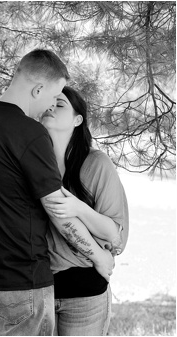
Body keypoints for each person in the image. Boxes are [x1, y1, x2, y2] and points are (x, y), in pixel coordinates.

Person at [0, 49, 114, 336]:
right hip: (19, 282)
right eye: (54, 96)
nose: (51, 106)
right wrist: (99, 257)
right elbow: (57, 209)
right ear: (38, 89)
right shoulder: (28, 131)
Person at [39, 87, 129, 335]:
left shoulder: (97, 163)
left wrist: (78, 208)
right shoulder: (31, 161)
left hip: (85, 293)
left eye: (60, 105)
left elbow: (114, 233)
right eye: (49, 103)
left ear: (78, 120)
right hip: (35, 291)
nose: (51, 108)